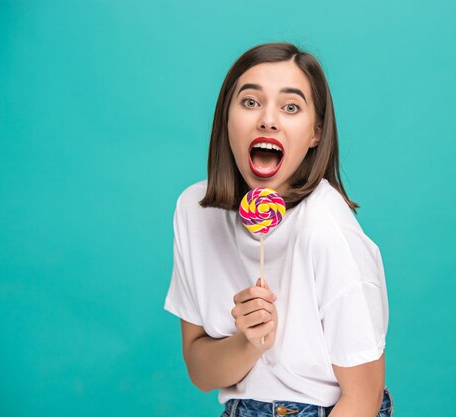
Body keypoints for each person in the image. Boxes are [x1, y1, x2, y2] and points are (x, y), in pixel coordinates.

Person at [164, 42, 393, 417]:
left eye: (291, 107)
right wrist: (250, 341)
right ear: (226, 117)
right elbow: (201, 372)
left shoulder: (327, 231)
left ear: (316, 133)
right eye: (250, 102)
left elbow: (363, 400)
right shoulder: (194, 211)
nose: (268, 120)